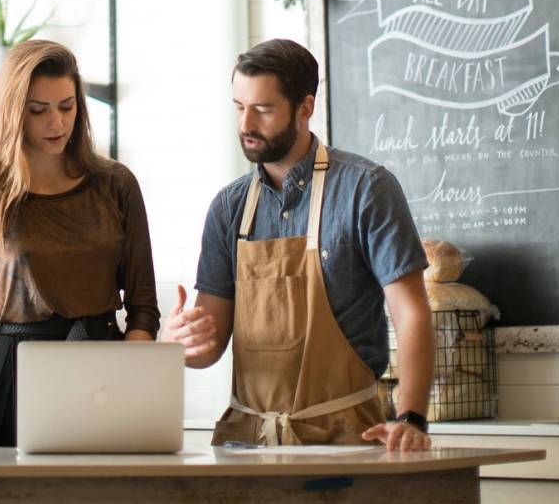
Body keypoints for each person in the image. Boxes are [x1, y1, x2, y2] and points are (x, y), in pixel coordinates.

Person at [161, 39, 434, 451]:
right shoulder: (228, 207)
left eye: (263, 109)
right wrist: (178, 341)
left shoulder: (366, 188)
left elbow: (411, 312)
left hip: (346, 440)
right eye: (239, 107)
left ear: (305, 108)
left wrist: (411, 417)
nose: (246, 124)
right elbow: (208, 348)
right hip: (246, 443)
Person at [0, 39, 160, 449]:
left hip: (102, 374)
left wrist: (123, 381)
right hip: (17, 377)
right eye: (38, 110)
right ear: (11, 110)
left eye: (67, 106)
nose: (56, 124)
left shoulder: (116, 185)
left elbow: (144, 309)